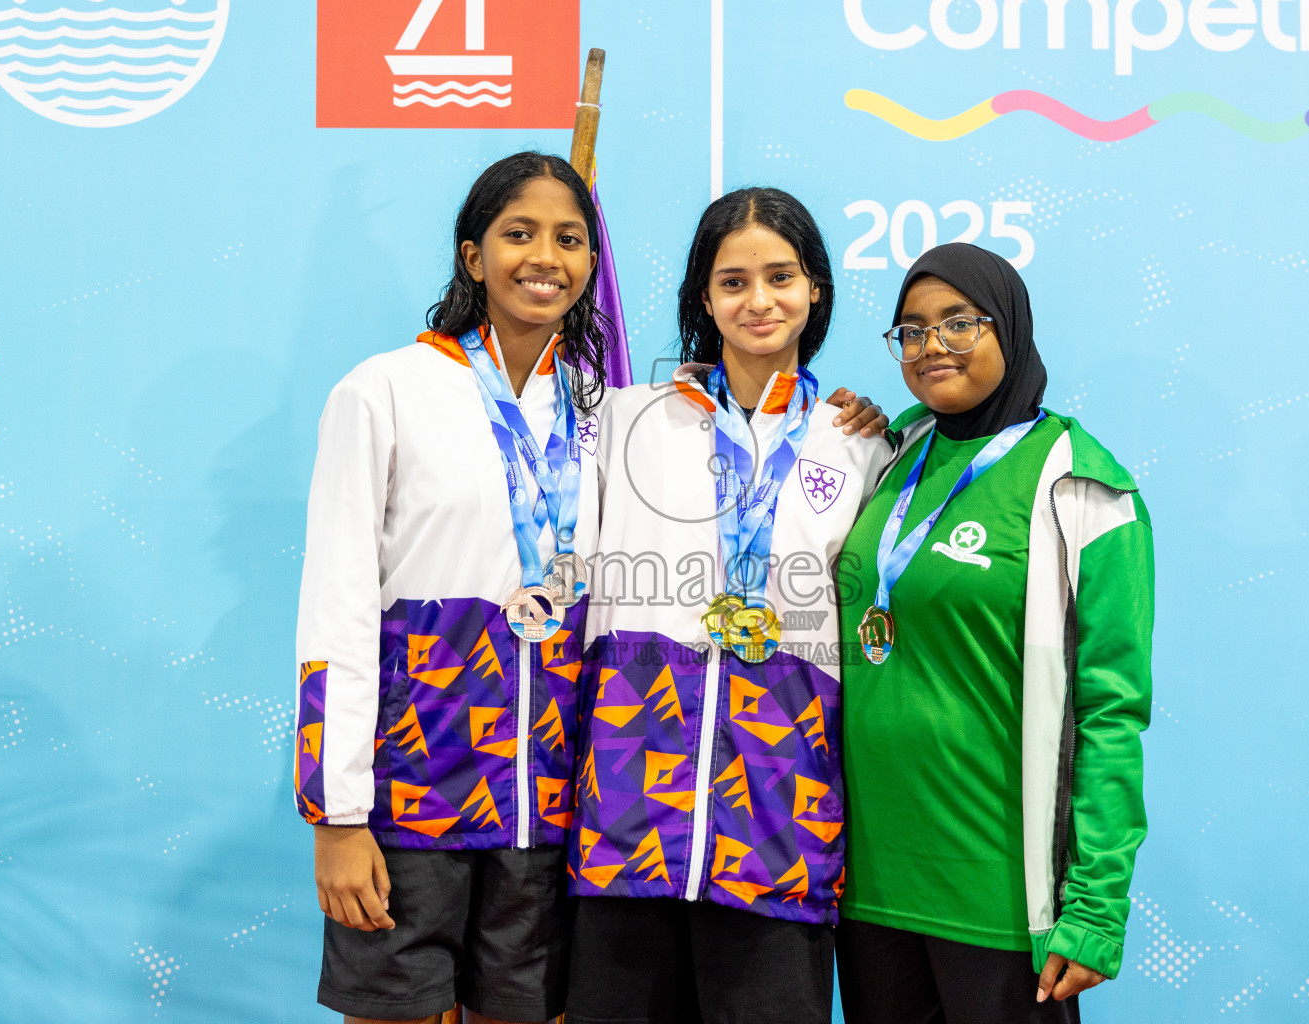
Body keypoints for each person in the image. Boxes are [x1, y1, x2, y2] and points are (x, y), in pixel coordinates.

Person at [292, 154, 886, 1024]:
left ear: (818, 291)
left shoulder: (601, 412)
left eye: (570, 238)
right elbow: (336, 607)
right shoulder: (402, 393)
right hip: (420, 791)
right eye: (519, 234)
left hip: (556, 810)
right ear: (471, 255)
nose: (545, 256)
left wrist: (861, 420)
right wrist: (335, 809)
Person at [563, 187, 896, 1024]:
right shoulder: (628, 421)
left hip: (781, 828)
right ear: (702, 298)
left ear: (815, 287)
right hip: (628, 823)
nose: (758, 301)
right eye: (733, 281)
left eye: (780, 277)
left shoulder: (862, 443)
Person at [834, 243, 1154, 1024]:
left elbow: (1111, 711)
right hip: (865, 890)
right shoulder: (889, 455)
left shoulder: (1082, 485)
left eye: (958, 323)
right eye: (909, 330)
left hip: (1000, 899)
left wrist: (1097, 906)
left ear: (1009, 329)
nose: (930, 346)